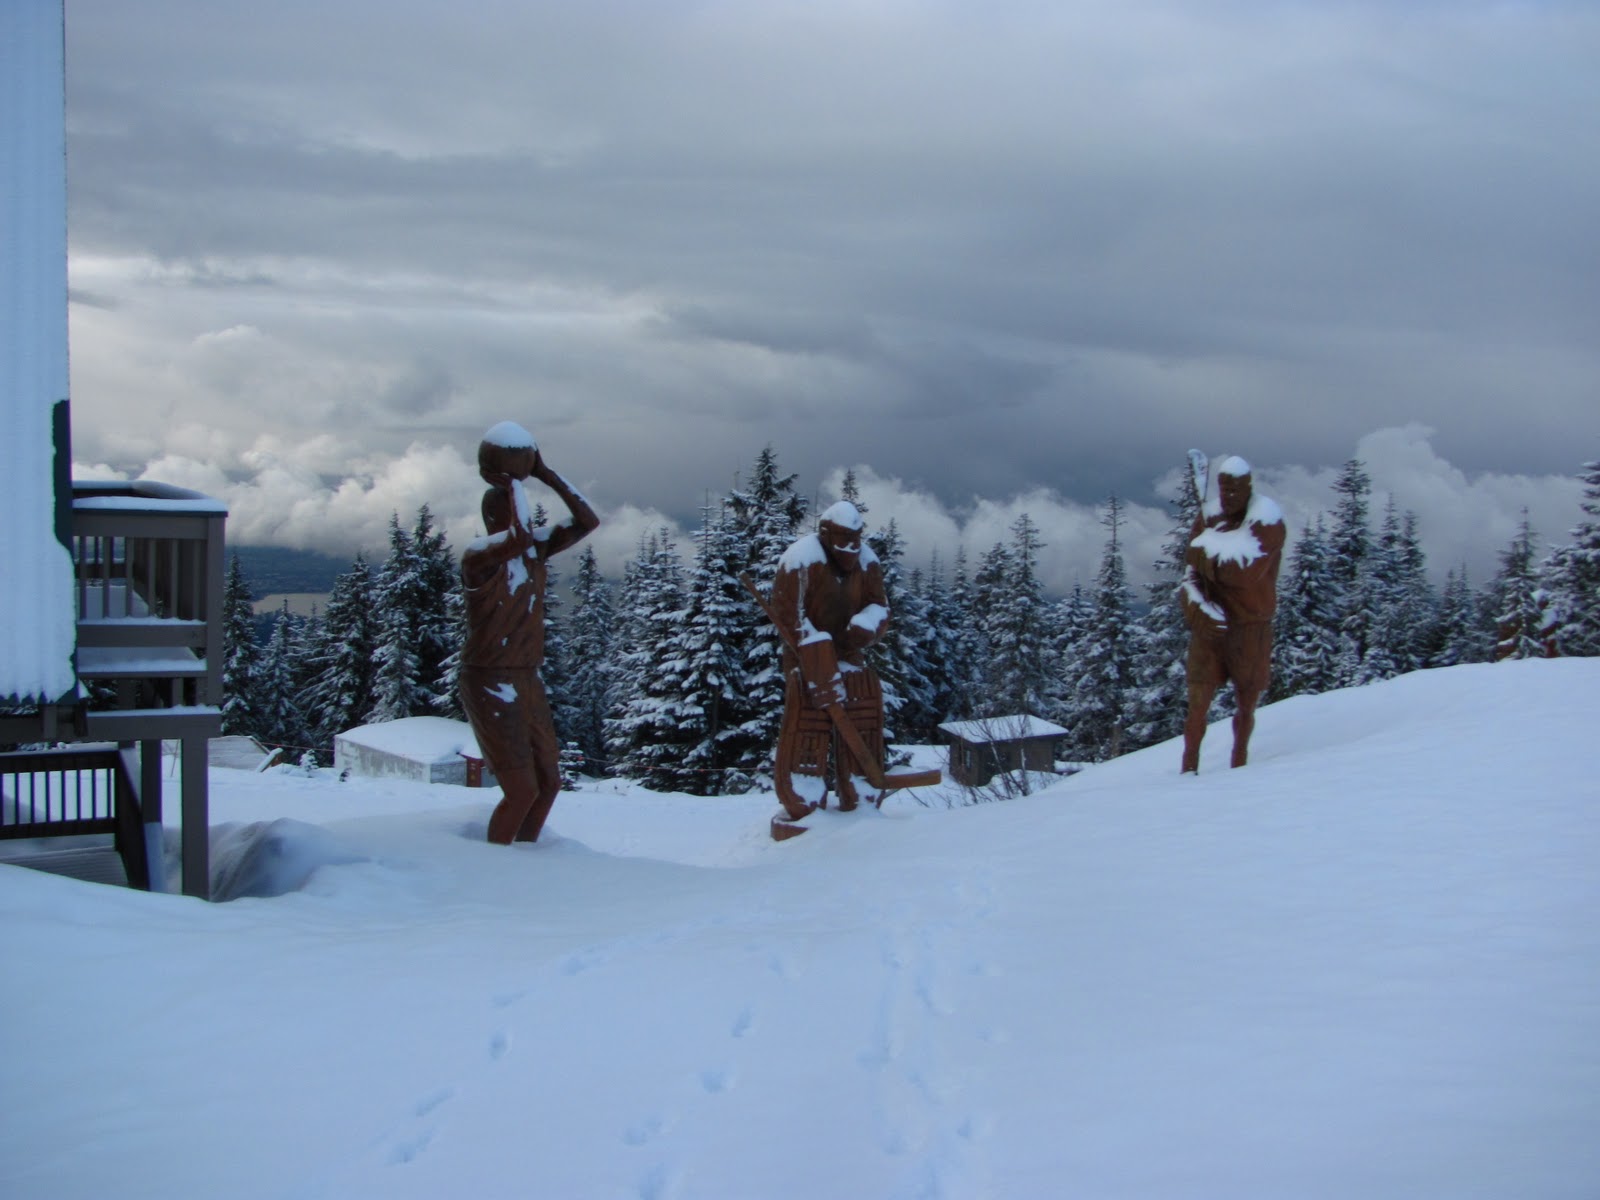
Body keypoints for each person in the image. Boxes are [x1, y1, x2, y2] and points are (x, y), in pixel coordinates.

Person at [459, 422, 598, 844]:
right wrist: (514, 483)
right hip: (489, 677)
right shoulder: (478, 558)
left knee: (549, 784)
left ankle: (527, 857)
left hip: (526, 676)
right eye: (503, 507)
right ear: (492, 516)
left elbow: (587, 521)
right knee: (520, 790)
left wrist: (545, 473)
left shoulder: (535, 551)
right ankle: (498, 864)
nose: (512, 512)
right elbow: (518, 537)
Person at [768, 501, 891, 819]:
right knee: (809, 719)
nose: (851, 548)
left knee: (861, 712)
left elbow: (879, 605)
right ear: (825, 533)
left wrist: (868, 625)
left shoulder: (868, 563)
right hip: (806, 655)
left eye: (856, 539)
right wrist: (814, 649)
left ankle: (860, 789)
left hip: (849, 653)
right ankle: (803, 791)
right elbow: (788, 613)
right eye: (843, 540)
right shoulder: (801, 560)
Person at [1179, 456, 1285, 773]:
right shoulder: (1209, 515)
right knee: (1197, 704)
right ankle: (1187, 769)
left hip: (1251, 626)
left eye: (1236, 489)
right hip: (1210, 625)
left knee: (1246, 702)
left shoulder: (1267, 520)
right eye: (1225, 489)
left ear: (1248, 487)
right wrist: (1195, 605)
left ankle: (1239, 765)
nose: (1229, 496)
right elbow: (1190, 574)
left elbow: (1241, 572)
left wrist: (1203, 548)